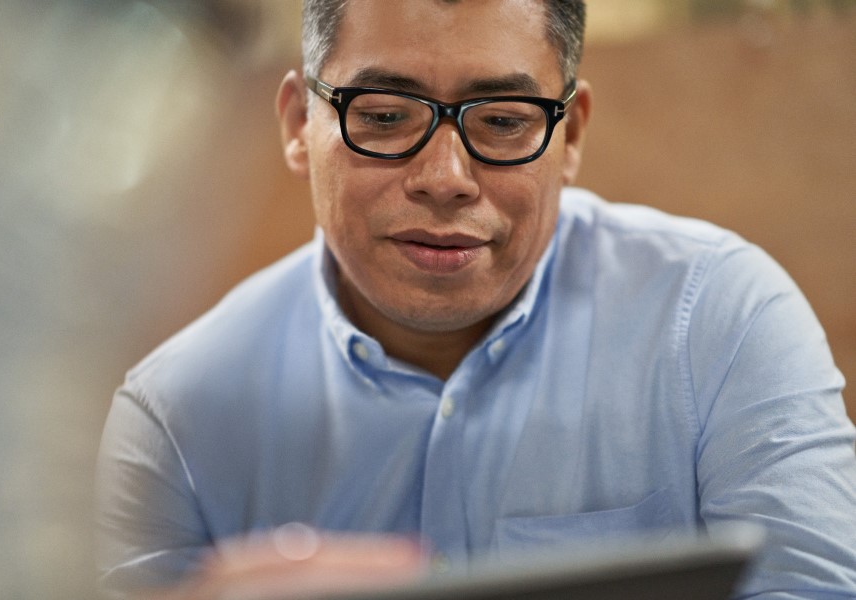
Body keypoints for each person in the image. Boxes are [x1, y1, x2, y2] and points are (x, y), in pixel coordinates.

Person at [95, 0, 856, 598]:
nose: (445, 178)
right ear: (300, 125)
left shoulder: (719, 321)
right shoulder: (176, 420)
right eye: (384, 116)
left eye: (502, 122)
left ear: (571, 135)